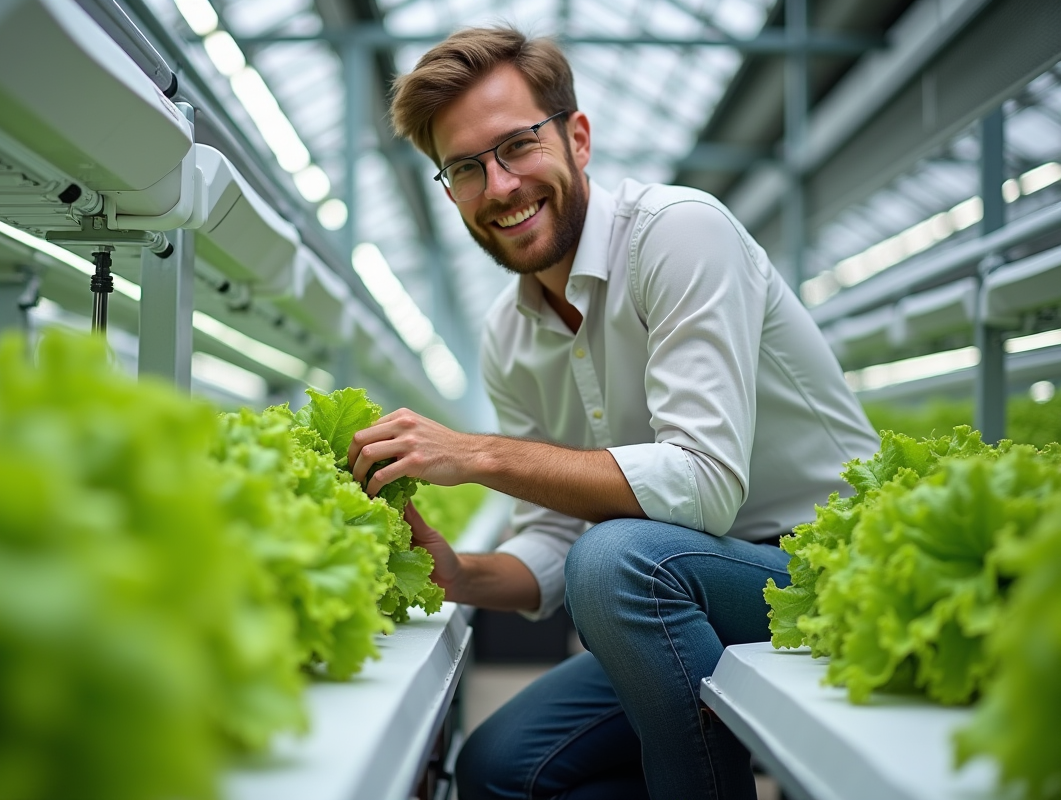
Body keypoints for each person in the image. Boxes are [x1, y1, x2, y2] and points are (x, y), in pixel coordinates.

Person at [348, 26, 879, 800]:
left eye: (517, 146)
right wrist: (459, 574)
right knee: (501, 770)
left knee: (619, 561)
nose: (498, 187)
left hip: (820, 568)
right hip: (681, 588)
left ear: (578, 138)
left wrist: (482, 455)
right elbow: (557, 541)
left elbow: (704, 485)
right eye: (464, 167)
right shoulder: (508, 335)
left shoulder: (677, 233)